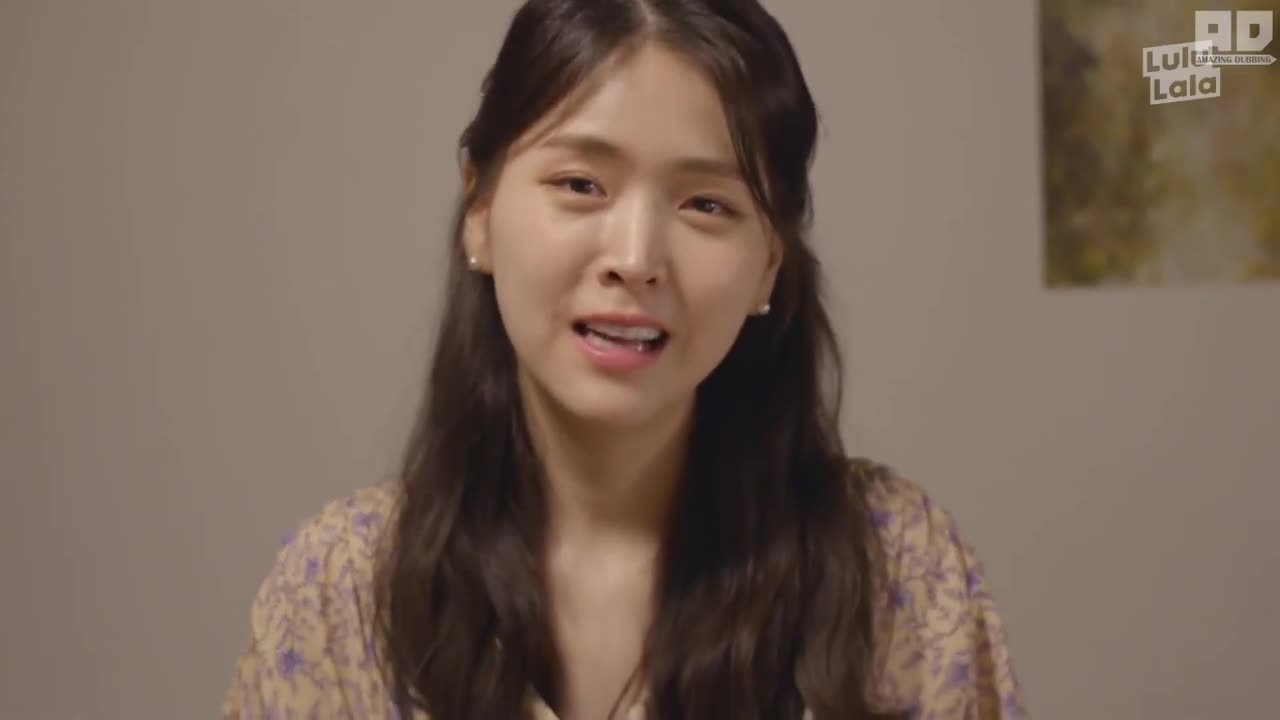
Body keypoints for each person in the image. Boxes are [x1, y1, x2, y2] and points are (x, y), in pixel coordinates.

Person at [221, 1, 1027, 718]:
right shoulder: (340, 592)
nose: (636, 259)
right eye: (581, 185)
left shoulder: (898, 572)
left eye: (705, 204)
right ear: (480, 210)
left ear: (769, 265)